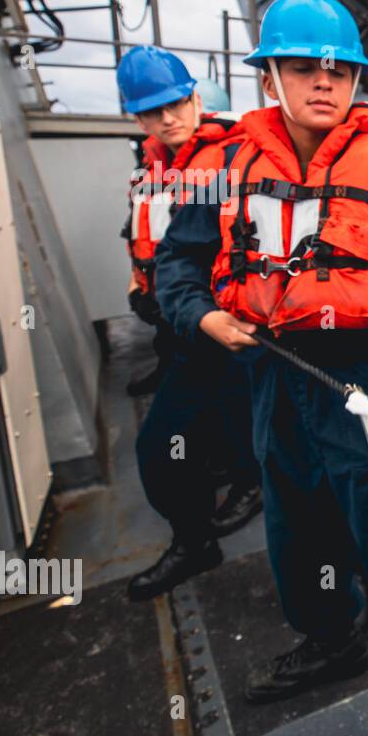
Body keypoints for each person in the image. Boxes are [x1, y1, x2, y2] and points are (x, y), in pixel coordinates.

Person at [155, 0, 368, 703]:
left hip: (367, 381)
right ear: (268, 77)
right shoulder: (224, 171)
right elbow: (180, 262)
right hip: (274, 375)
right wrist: (202, 318)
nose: (325, 82)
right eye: (305, 67)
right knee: (297, 515)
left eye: (339, 71)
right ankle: (332, 635)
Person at [115, 45, 263, 602]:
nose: (168, 118)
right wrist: (140, 287)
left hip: (219, 330)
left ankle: (223, 511)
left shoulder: (227, 161)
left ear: (196, 99)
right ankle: (215, 514)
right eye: (153, 112)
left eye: (176, 104)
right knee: (205, 435)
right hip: (180, 325)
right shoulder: (155, 166)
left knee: (167, 442)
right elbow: (143, 234)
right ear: (138, 119)